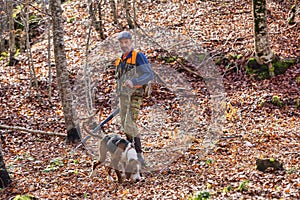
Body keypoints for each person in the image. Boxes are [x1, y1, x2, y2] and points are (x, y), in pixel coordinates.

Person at [114, 31, 154, 166]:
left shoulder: (138, 56)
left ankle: (139, 156)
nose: (124, 45)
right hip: (123, 96)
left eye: (126, 42)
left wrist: (135, 81)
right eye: (121, 42)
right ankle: (131, 154)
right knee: (125, 126)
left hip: (135, 94)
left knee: (130, 123)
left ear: (131, 42)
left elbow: (149, 74)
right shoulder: (120, 59)